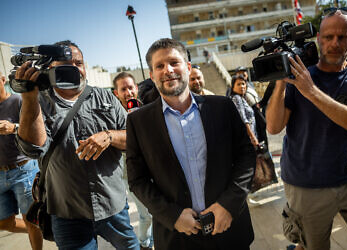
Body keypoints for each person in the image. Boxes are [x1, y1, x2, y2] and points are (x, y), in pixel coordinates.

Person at [266, 9, 347, 250]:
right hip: (305, 183)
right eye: (328, 37)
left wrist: (311, 91)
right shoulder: (298, 75)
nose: (334, 43)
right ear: (318, 39)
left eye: (342, 37)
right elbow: (274, 127)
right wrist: (280, 83)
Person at [126, 38, 255, 250]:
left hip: (229, 229)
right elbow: (137, 180)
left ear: (187, 67)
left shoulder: (222, 107)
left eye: (174, 62)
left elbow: (246, 157)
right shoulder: (138, 122)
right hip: (177, 238)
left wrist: (229, 205)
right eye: (159, 66)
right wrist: (172, 216)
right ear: (151, 75)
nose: (168, 70)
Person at [14, 40, 140, 250]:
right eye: (65, 64)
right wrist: (29, 98)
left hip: (113, 206)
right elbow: (32, 149)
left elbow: (134, 139)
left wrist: (109, 136)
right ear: (50, 70)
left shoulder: (106, 97)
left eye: (78, 63)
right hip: (68, 214)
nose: (74, 68)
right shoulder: (38, 102)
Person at [0, 70, 43, 250]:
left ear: (3, 79)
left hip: (22, 169)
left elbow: (36, 130)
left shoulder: (18, 100)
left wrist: (13, 127)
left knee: (30, 220)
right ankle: (38, 228)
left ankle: (35, 231)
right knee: (4, 223)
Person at [113, 72, 154, 250]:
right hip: (130, 172)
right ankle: (144, 242)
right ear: (116, 93)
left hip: (153, 168)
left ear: (136, 88)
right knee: (146, 213)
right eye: (123, 89)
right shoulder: (112, 115)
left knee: (157, 211)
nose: (128, 92)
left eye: (131, 87)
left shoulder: (146, 108)